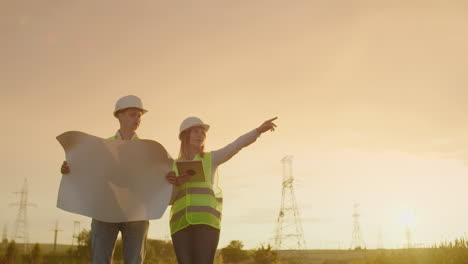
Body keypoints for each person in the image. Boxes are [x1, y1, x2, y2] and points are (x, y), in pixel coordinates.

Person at [166, 116, 278, 264]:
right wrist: (176, 184)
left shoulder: (211, 159)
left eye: (203, 133)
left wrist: (257, 131)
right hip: (180, 224)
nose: (201, 135)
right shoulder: (172, 166)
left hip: (207, 222)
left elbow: (235, 145)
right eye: (196, 131)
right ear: (185, 135)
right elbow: (168, 201)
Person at [61, 95, 150, 264]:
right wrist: (69, 169)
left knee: (134, 261)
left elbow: (155, 178)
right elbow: (85, 170)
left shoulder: (148, 149)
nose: (137, 119)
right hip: (104, 211)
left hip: (135, 213)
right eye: (133, 114)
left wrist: (167, 177)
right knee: (100, 260)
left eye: (139, 115)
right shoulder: (102, 145)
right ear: (120, 115)